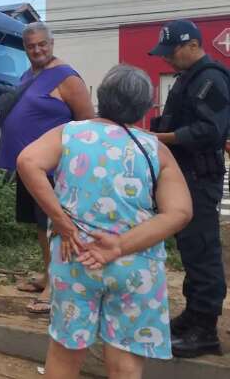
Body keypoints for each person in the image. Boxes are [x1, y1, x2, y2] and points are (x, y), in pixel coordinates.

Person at [17, 65, 192, 379]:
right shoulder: (156, 149)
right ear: (143, 107)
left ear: (101, 95)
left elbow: (27, 161)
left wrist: (63, 222)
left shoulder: (69, 133)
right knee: (125, 363)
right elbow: (179, 212)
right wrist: (120, 246)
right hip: (135, 265)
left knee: (65, 354)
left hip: (75, 256)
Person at [0, 21, 94, 314]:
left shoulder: (67, 77)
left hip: (53, 169)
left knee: (53, 225)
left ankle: (56, 286)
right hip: (29, 167)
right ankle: (47, 275)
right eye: (31, 46)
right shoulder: (30, 74)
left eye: (42, 44)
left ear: (52, 44)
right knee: (41, 225)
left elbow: (87, 122)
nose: (37, 50)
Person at [148, 19, 229, 358]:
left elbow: (209, 131)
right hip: (183, 175)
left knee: (203, 248)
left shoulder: (211, 78)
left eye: (172, 51)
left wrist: (158, 139)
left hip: (199, 176)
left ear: (193, 45)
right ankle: (193, 316)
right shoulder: (188, 78)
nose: (167, 59)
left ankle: (205, 331)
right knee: (190, 249)